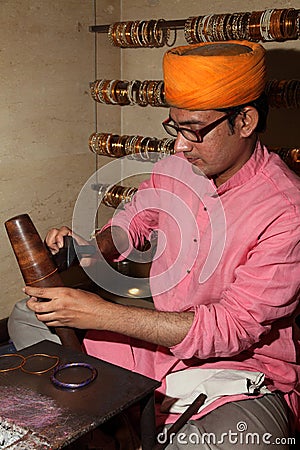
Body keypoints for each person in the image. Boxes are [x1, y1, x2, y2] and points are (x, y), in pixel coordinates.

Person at [8, 41, 300, 449]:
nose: (181, 146)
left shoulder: (287, 210)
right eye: (175, 128)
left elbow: (231, 329)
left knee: (253, 441)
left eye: (195, 130)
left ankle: (125, 412)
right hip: (163, 342)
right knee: (30, 315)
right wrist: (89, 252)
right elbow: (136, 220)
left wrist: (103, 314)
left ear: (246, 121)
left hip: (240, 365)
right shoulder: (177, 168)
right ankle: (122, 410)